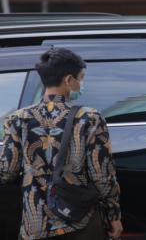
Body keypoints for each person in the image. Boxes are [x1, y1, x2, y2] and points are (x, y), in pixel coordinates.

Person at [0, 48, 123, 239]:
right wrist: (113, 215)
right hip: (79, 221)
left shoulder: (17, 119)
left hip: (35, 226)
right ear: (68, 80)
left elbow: (6, 172)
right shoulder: (89, 118)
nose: (81, 84)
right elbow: (102, 175)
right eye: (80, 78)